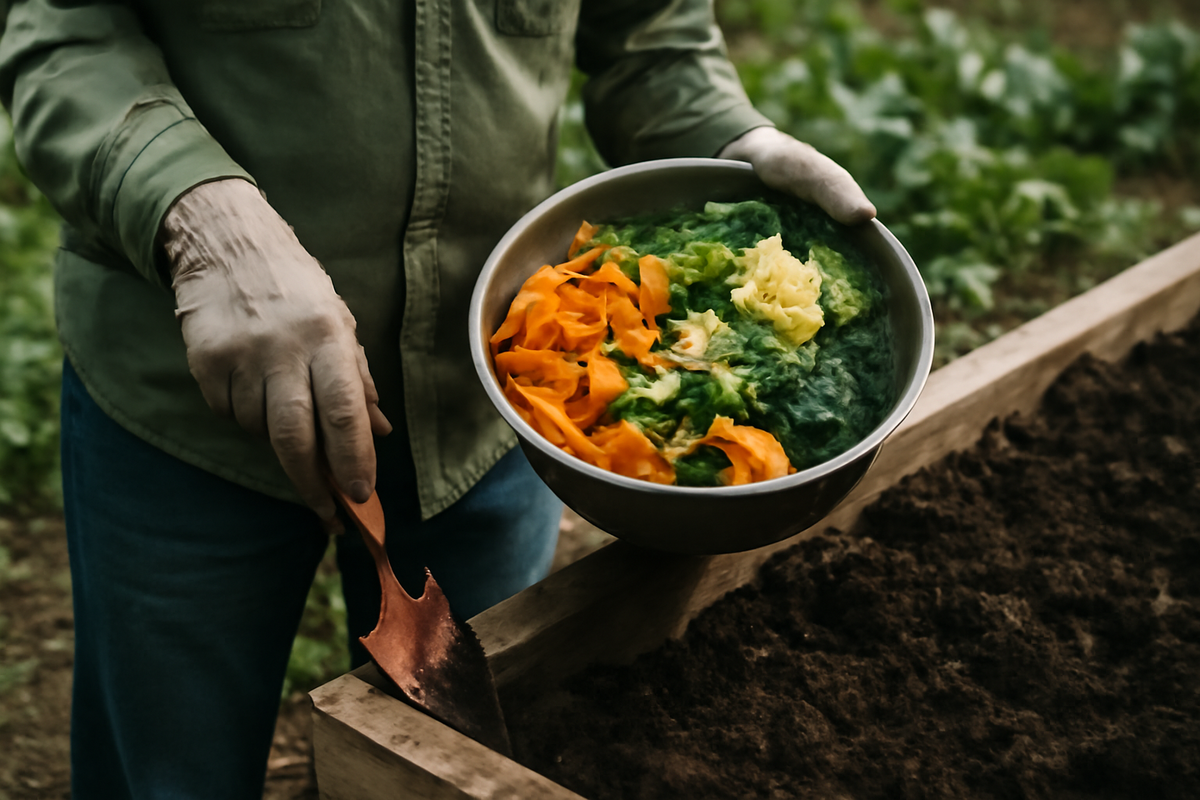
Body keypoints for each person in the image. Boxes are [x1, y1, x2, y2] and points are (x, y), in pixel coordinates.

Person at [0, 1, 875, 797]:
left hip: (492, 405)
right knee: (166, 775)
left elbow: (648, 35)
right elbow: (63, 31)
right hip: (185, 401)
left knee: (452, 766)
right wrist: (203, 221)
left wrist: (732, 138)